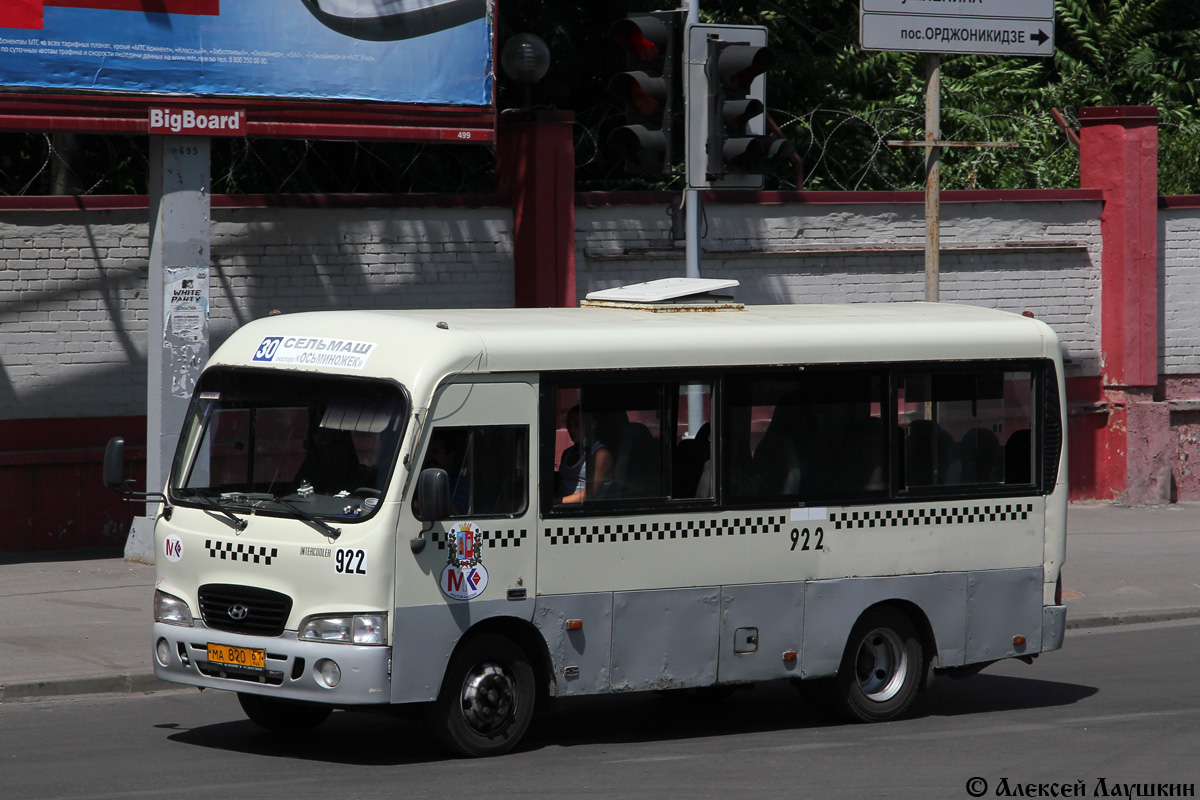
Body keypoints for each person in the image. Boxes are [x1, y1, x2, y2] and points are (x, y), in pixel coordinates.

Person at [555, 405, 612, 504]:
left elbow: (588, 495)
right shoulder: (567, 453)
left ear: (592, 425)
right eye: (569, 425)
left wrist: (555, 501)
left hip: (579, 510)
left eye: (578, 425)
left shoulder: (601, 455)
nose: (572, 430)